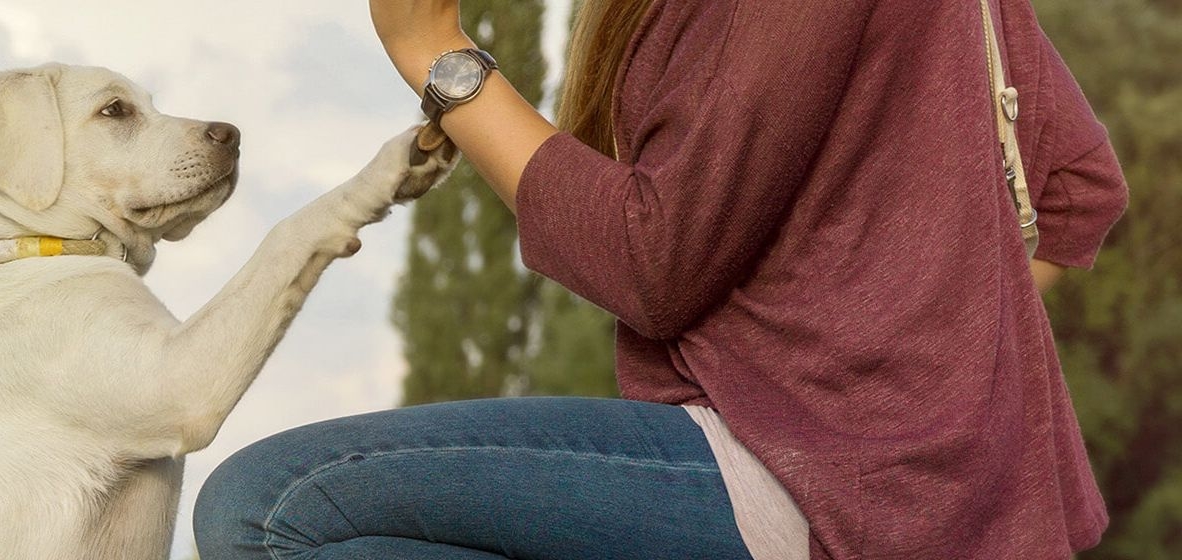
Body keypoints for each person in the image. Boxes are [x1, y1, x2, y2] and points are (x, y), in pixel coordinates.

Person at [193, 0, 1128, 558]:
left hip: (822, 481)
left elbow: (650, 261)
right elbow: (1078, 185)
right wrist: (948, 393)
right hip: (888, 480)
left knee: (268, 508)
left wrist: (435, 53)